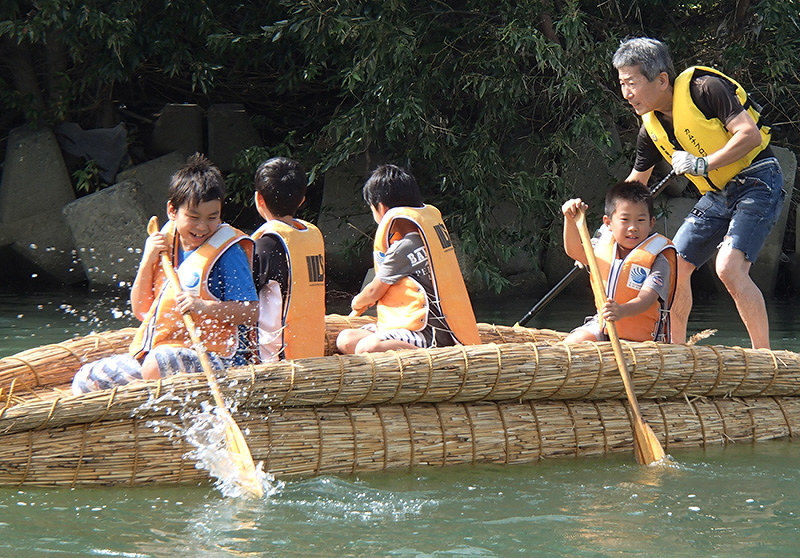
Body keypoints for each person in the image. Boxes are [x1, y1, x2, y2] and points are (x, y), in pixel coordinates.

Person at [612, 37, 784, 349]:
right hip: (719, 194)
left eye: (632, 83)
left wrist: (702, 163)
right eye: (622, 84)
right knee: (673, 265)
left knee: (729, 268)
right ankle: (677, 353)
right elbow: (637, 183)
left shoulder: (705, 89)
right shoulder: (650, 128)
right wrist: (607, 228)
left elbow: (749, 134)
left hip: (759, 179)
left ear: (662, 79)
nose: (627, 94)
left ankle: (765, 358)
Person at [72, 154, 257, 394]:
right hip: (161, 354)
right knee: (87, 380)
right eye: (193, 217)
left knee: (157, 364)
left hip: (220, 360)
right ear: (172, 210)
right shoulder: (164, 243)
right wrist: (147, 259)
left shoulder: (228, 253)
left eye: (212, 217)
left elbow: (252, 312)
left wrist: (203, 306)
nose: (203, 227)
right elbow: (141, 310)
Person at [336, 164, 481, 354]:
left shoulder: (403, 248)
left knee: (367, 347)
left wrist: (357, 302)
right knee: (345, 340)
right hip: (417, 327)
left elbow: (373, 292)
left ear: (381, 207)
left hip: (430, 335)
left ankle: (428, 357)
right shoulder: (429, 237)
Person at [561, 181, 677, 344]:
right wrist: (570, 220)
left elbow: (646, 299)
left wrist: (621, 311)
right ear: (608, 223)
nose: (633, 227)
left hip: (642, 340)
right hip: (603, 326)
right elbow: (574, 251)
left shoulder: (659, 258)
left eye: (640, 220)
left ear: (651, 223)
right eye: (625, 219)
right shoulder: (603, 247)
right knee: (571, 344)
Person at [250, 157, 326, 362]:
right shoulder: (312, 235)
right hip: (312, 352)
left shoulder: (267, 243)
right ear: (302, 200)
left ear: (259, 199)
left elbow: (244, 298)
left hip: (277, 358)